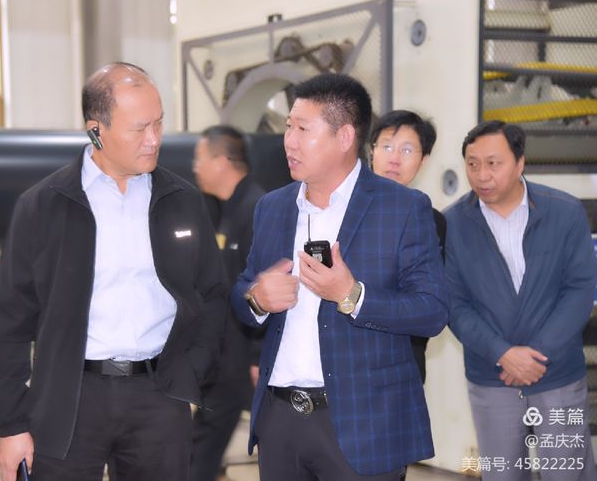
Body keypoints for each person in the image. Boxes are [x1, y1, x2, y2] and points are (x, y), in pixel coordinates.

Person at [0, 62, 228, 481]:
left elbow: (212, 295)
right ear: (96, 130)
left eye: (159, 123)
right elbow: (10, 322)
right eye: (139, 128)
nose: (154, 139)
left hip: (159, 396)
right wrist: (11, 424)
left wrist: (191, 369)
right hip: (69, 398)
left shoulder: (183, 201)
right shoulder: (42, 206)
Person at [231, 73, 449, 481]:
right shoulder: (272, 207)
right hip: (280, 419)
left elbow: (432, 311)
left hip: (364, 422)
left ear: (345, 136)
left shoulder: (402, 208)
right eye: (288, 127)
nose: (289, 141)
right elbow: (242, 291)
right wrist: (257, 298)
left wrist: (352, 295)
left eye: (303, 129)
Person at [445, 120, 597, 481]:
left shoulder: (564, 212)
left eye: (493, 163)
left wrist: (537, 354)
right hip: (491, 375)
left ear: (520, 163)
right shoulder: (452, 224)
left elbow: (580, 289)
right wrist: (503, 353)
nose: (482, 175)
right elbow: (453, 303)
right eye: (472, 164)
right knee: (502, 473)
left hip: (556, 373)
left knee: (567, 471)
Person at [190, 125, 265, 481]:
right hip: (223, 357)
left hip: (245, 360)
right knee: (200, 447)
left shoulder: (256, 211)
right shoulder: (223, 210)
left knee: (202, 449)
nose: (195, 167)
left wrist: (257, 356)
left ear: (221, 161)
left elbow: (265, 287)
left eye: (199, 159)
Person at [369, 110, 446, 383]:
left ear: (423, 160)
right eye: (387, 146)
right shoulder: (340, 208)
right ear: (372, 150)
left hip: (404, 364)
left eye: (407, 150)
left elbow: (428, 303)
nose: (394, 158)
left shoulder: (431, 221)